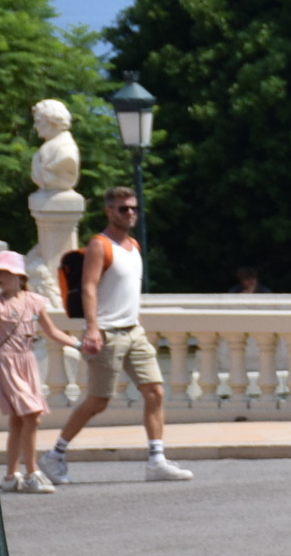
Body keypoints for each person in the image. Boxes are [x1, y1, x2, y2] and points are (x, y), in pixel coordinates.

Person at [36, 187, 192, 484]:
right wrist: (93, 328)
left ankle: (156, 460)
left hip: (134, 331)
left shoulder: (133, 245)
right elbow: (89, 287)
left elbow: (127, 293)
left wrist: (137, 323)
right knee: (97, 401)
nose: (130, 213)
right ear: (109, 211)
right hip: (107, 334)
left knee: (155, 391)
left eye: (133, 208)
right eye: (123, 209)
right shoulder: (100, 244)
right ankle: (54, 455)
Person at [0, 249, 81, 492]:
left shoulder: (33, 301)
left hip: (27, 362)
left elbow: (53, 331)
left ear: (20, 277)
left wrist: (79, 345)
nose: (2, 276)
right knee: (32, 415)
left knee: (18, 420)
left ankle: (11, 476)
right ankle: (33, 472)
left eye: (7, 272)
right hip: (6, 363)